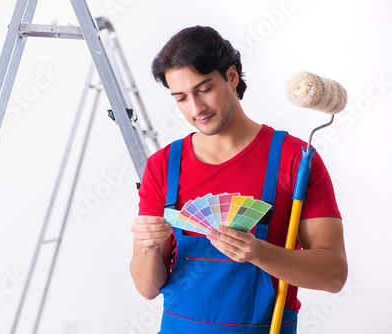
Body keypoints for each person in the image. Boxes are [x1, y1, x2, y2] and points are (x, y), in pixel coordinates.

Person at [129, 26, 347, 333]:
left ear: (231, 76)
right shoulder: (163, 166)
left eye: (204, 89)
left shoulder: (296, 159)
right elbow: (146, 287)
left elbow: (334, 275)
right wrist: (149, 248)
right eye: (181, 98)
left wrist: (260, 253)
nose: (196, 109)